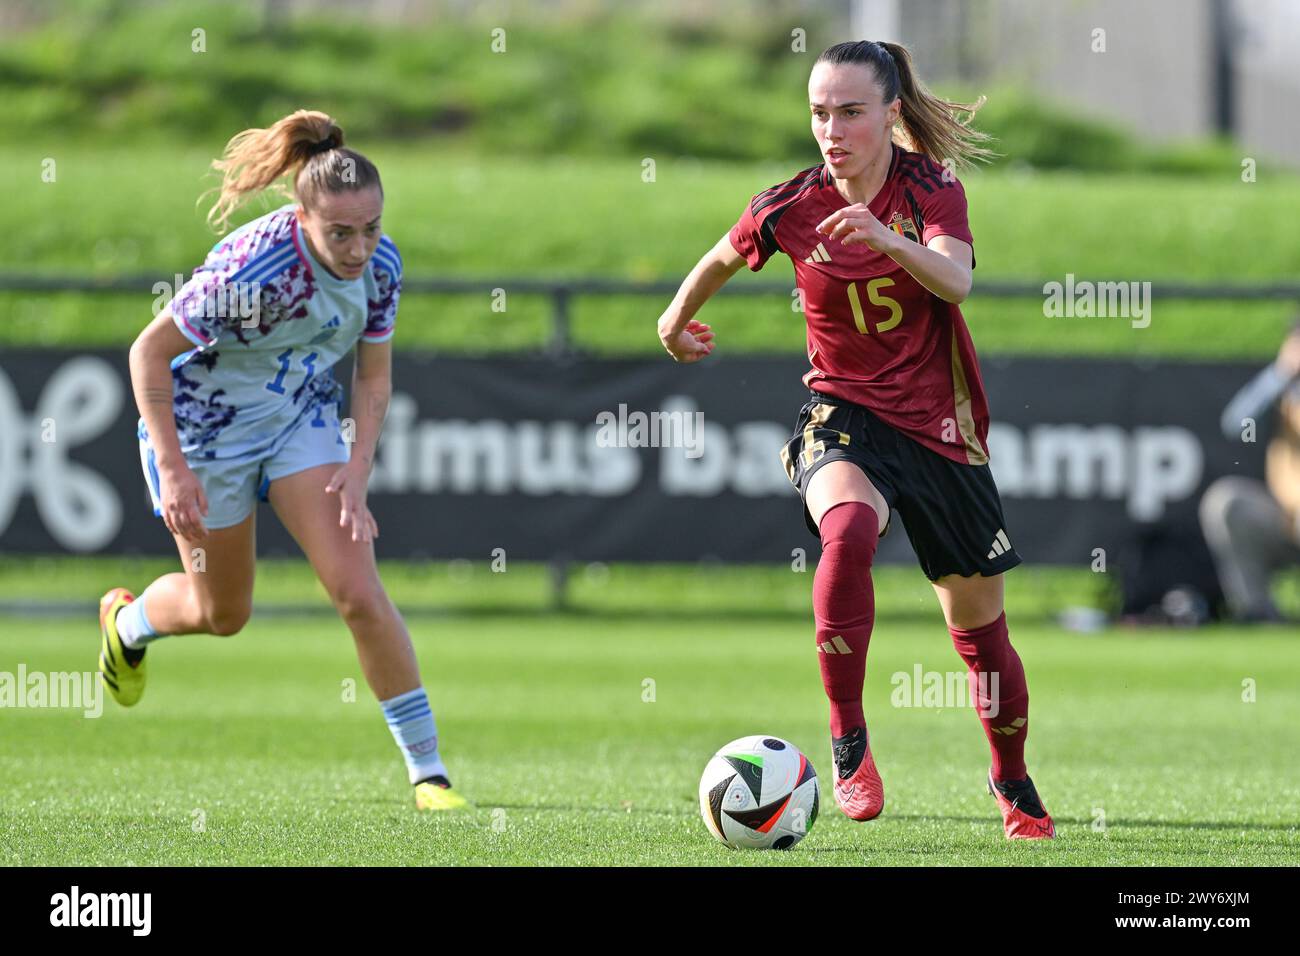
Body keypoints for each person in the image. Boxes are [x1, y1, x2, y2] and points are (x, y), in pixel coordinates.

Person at [656, 41, 1053, 838]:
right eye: (818, 113)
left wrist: (887, 238)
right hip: (844, 412)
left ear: (890, 114)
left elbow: (957, 279)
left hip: (944, 430)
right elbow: (723, 253)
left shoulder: (932, 189)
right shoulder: (791, 203)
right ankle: (848, 736)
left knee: (983, 641)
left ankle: (1011, 779)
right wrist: (673, 320)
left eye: (849, 112)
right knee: (846, 530)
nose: (831, 130)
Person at [98, 109, 467, 812]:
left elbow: (372, 377)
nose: (360, 249)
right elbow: (147, 353)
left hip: (297, 419)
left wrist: (357, 471)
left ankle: (430, 775)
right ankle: (129, 624)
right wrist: (173, 468)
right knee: (223, 613)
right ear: (302, 217)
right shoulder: (251, 270)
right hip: (205, 436)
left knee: (358, 593)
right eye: (341, 233)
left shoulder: (381, 267)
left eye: (371, 228)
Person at [1200, 319, 1300, 623]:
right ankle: (1256, 611)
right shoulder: (1285, 389)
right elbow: (1235, 422)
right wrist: (1280, 373)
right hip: (1283, 515)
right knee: (1225, 502)